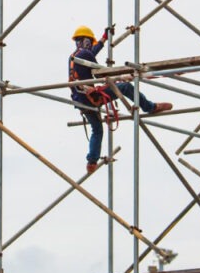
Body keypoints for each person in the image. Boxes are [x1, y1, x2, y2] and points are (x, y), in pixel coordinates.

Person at [68, 25, 172, 174]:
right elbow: (100, 70)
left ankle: (91, 161)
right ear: (86, 41)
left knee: (97, 130)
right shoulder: (85, 54)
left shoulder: (75, 56)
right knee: (125, 87)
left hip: (80, 101)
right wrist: (120, 75)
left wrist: (104, 37)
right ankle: (150, 107)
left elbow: (93, 52)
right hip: (91, 98)